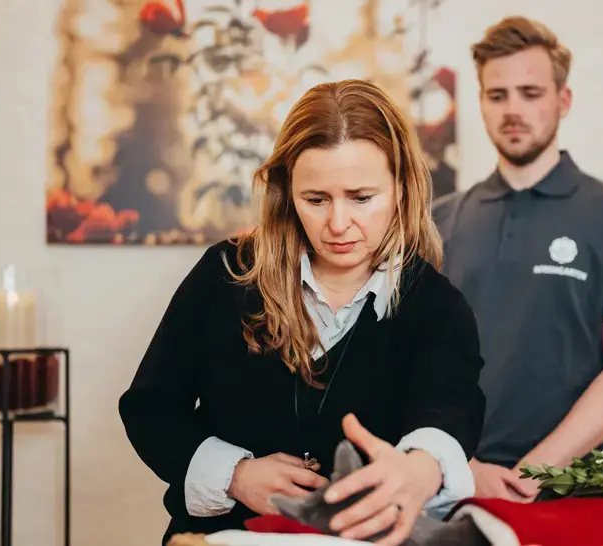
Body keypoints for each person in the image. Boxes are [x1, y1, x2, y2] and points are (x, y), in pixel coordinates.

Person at [119, 79, 486, 545]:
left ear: (401, 189)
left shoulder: (437, 304)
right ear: (285, 192)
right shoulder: (226, 274)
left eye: (361, 197)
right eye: (315, 199)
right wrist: (235, 475)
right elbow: (150, 409)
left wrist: (421, 468)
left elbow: (450, 409)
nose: (337, 224)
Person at [433, 16, 603, 503]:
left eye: (530, 93)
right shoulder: (438, 222)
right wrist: (465, 468)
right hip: (457, 485)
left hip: (582, 489)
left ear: (563, 100)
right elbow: (414, 364)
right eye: (497, 95)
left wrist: (533, 474)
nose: (513, 109)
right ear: (480, 103)